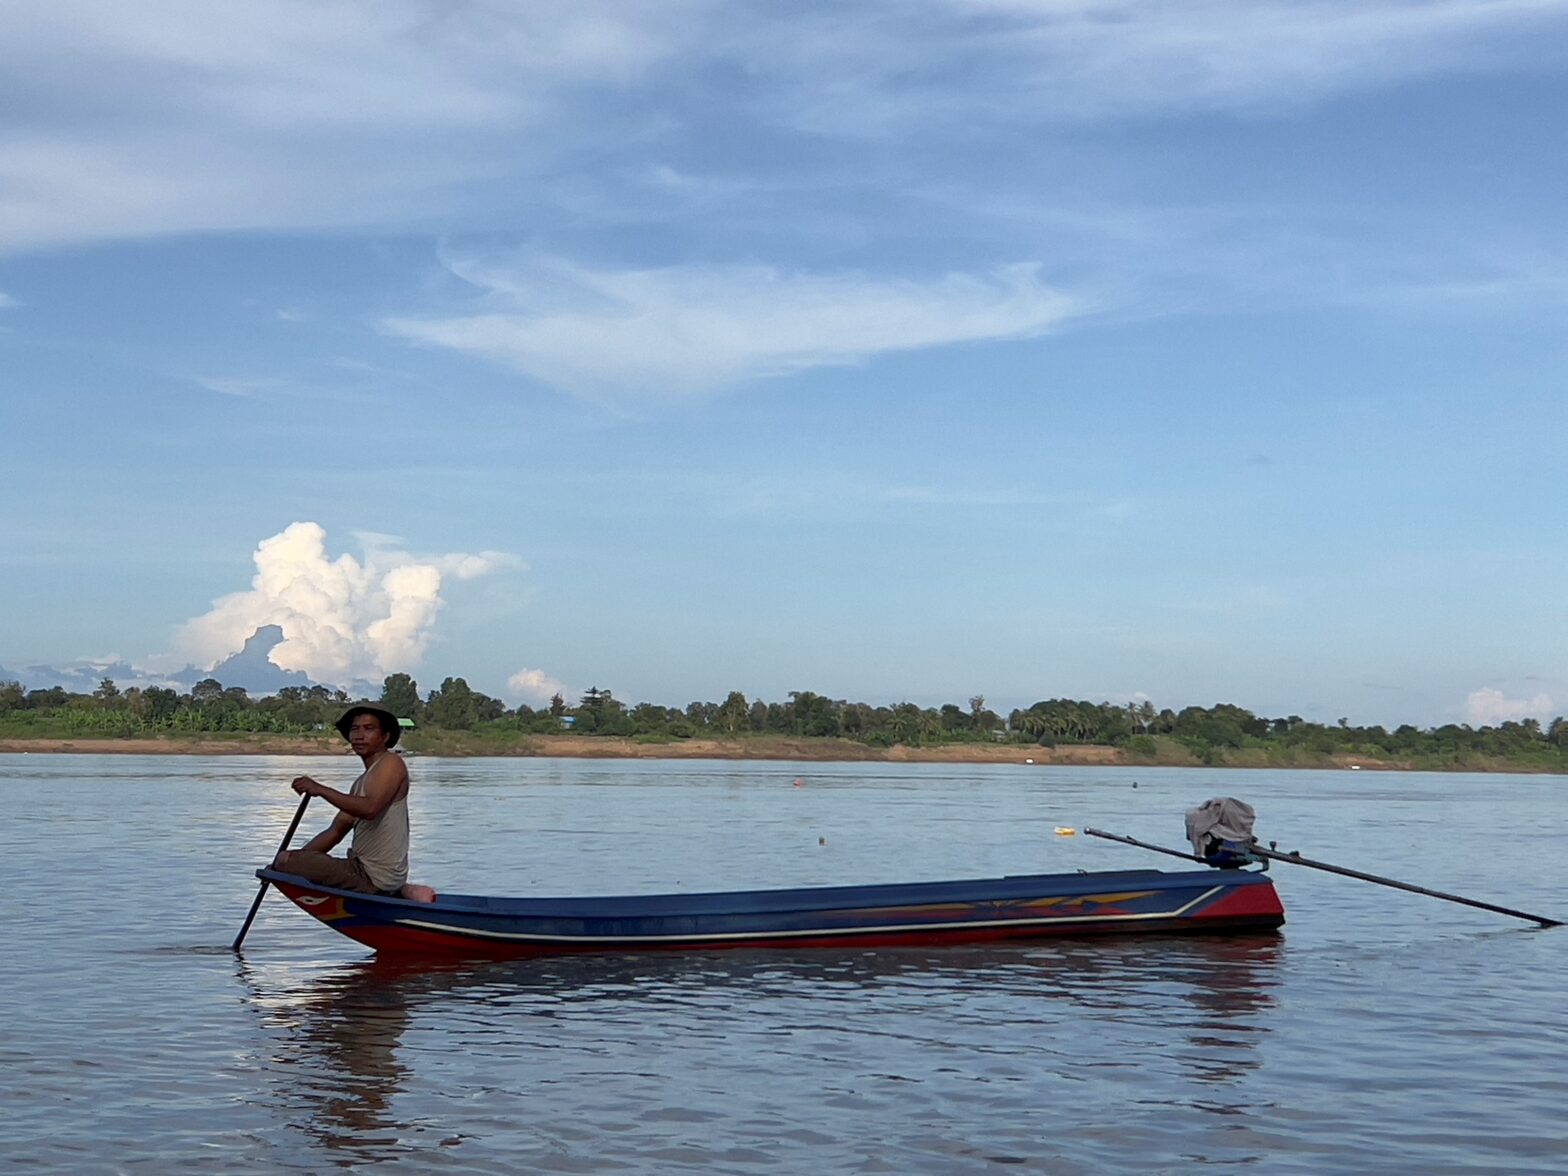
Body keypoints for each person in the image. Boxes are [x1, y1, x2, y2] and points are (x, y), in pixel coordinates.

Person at [274, 704, 435, 902]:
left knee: (285, 860)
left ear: (384, 736)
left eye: (369, 729)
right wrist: (292, 861)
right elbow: (336, 831)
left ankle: (396, 889)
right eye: (354, 729)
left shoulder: (391, 763)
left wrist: (321, 790)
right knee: (286, 859)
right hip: (361, 869)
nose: (359, 735)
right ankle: (402, 890)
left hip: (373, 877)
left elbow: (370, 808)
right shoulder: (361, 782)